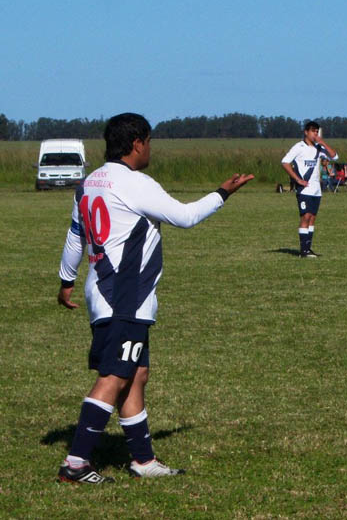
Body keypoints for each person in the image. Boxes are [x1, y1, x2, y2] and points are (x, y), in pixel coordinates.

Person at [56, 113, 253, 484]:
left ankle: (143, 461)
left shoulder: (88, 184)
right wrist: (223, 192)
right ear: (137, 144)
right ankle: (76, 462)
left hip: (102, 292)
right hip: (125, 297)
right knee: (114, 375)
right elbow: (185, 217)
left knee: (136, 374)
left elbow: (74, 237)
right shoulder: (134, 183)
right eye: (149, 141)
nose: (150, 148)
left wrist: (66, 280)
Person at [281, 121, 338, 258]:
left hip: (316, 190)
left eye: (317, 131)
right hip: (304, 189)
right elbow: (285, 162)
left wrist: (322, 142)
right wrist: (297, 179)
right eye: (313, 131)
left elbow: (335, 156)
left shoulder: (319, 148)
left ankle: (308, 248)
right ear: (306, 132)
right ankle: (303, 251)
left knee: (312, 218)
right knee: (305, 217)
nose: (315, 134)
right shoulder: (299, 147)